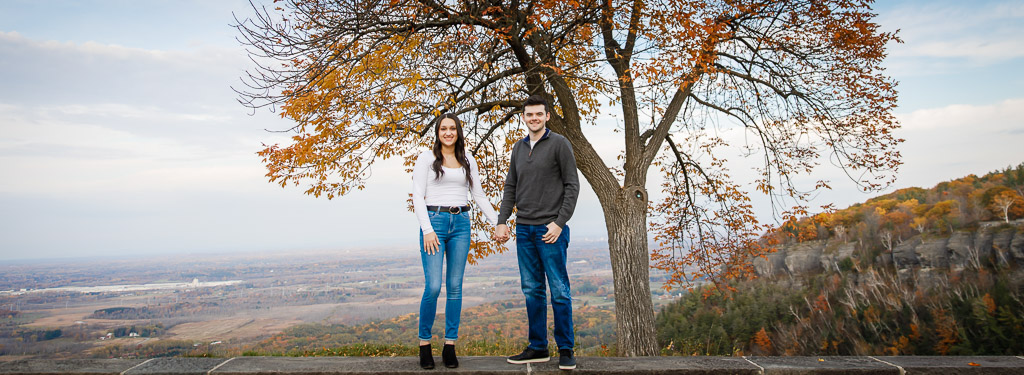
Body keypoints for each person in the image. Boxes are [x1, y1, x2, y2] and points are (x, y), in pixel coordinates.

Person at [493, 94, 580, 370]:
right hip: (524, 230)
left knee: (559, 291)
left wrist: (559, 223)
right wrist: (502, 220)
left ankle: (566, 349)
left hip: (550, 231)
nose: (534, 118)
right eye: (529, 114)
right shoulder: (518, 149)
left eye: (538, 114)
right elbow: (510, 187)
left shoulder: (560, 145)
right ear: (523, 117)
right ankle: (538, 347)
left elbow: (572, 186)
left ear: (547, 116)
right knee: (532, 290)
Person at [412, 113, 498, 369]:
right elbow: (417, 195)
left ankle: (450, 345)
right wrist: (427, 229)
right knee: (434, 286)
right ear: (437, 132)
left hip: (461, 223)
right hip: (435, 222)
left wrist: (498, 222)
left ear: (458, 132)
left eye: (452, 128)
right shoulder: (427, 158)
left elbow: (479, 195)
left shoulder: (468, 159)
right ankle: (424, 344)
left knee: (455, 287)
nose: (448, 133)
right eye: (443, 129)